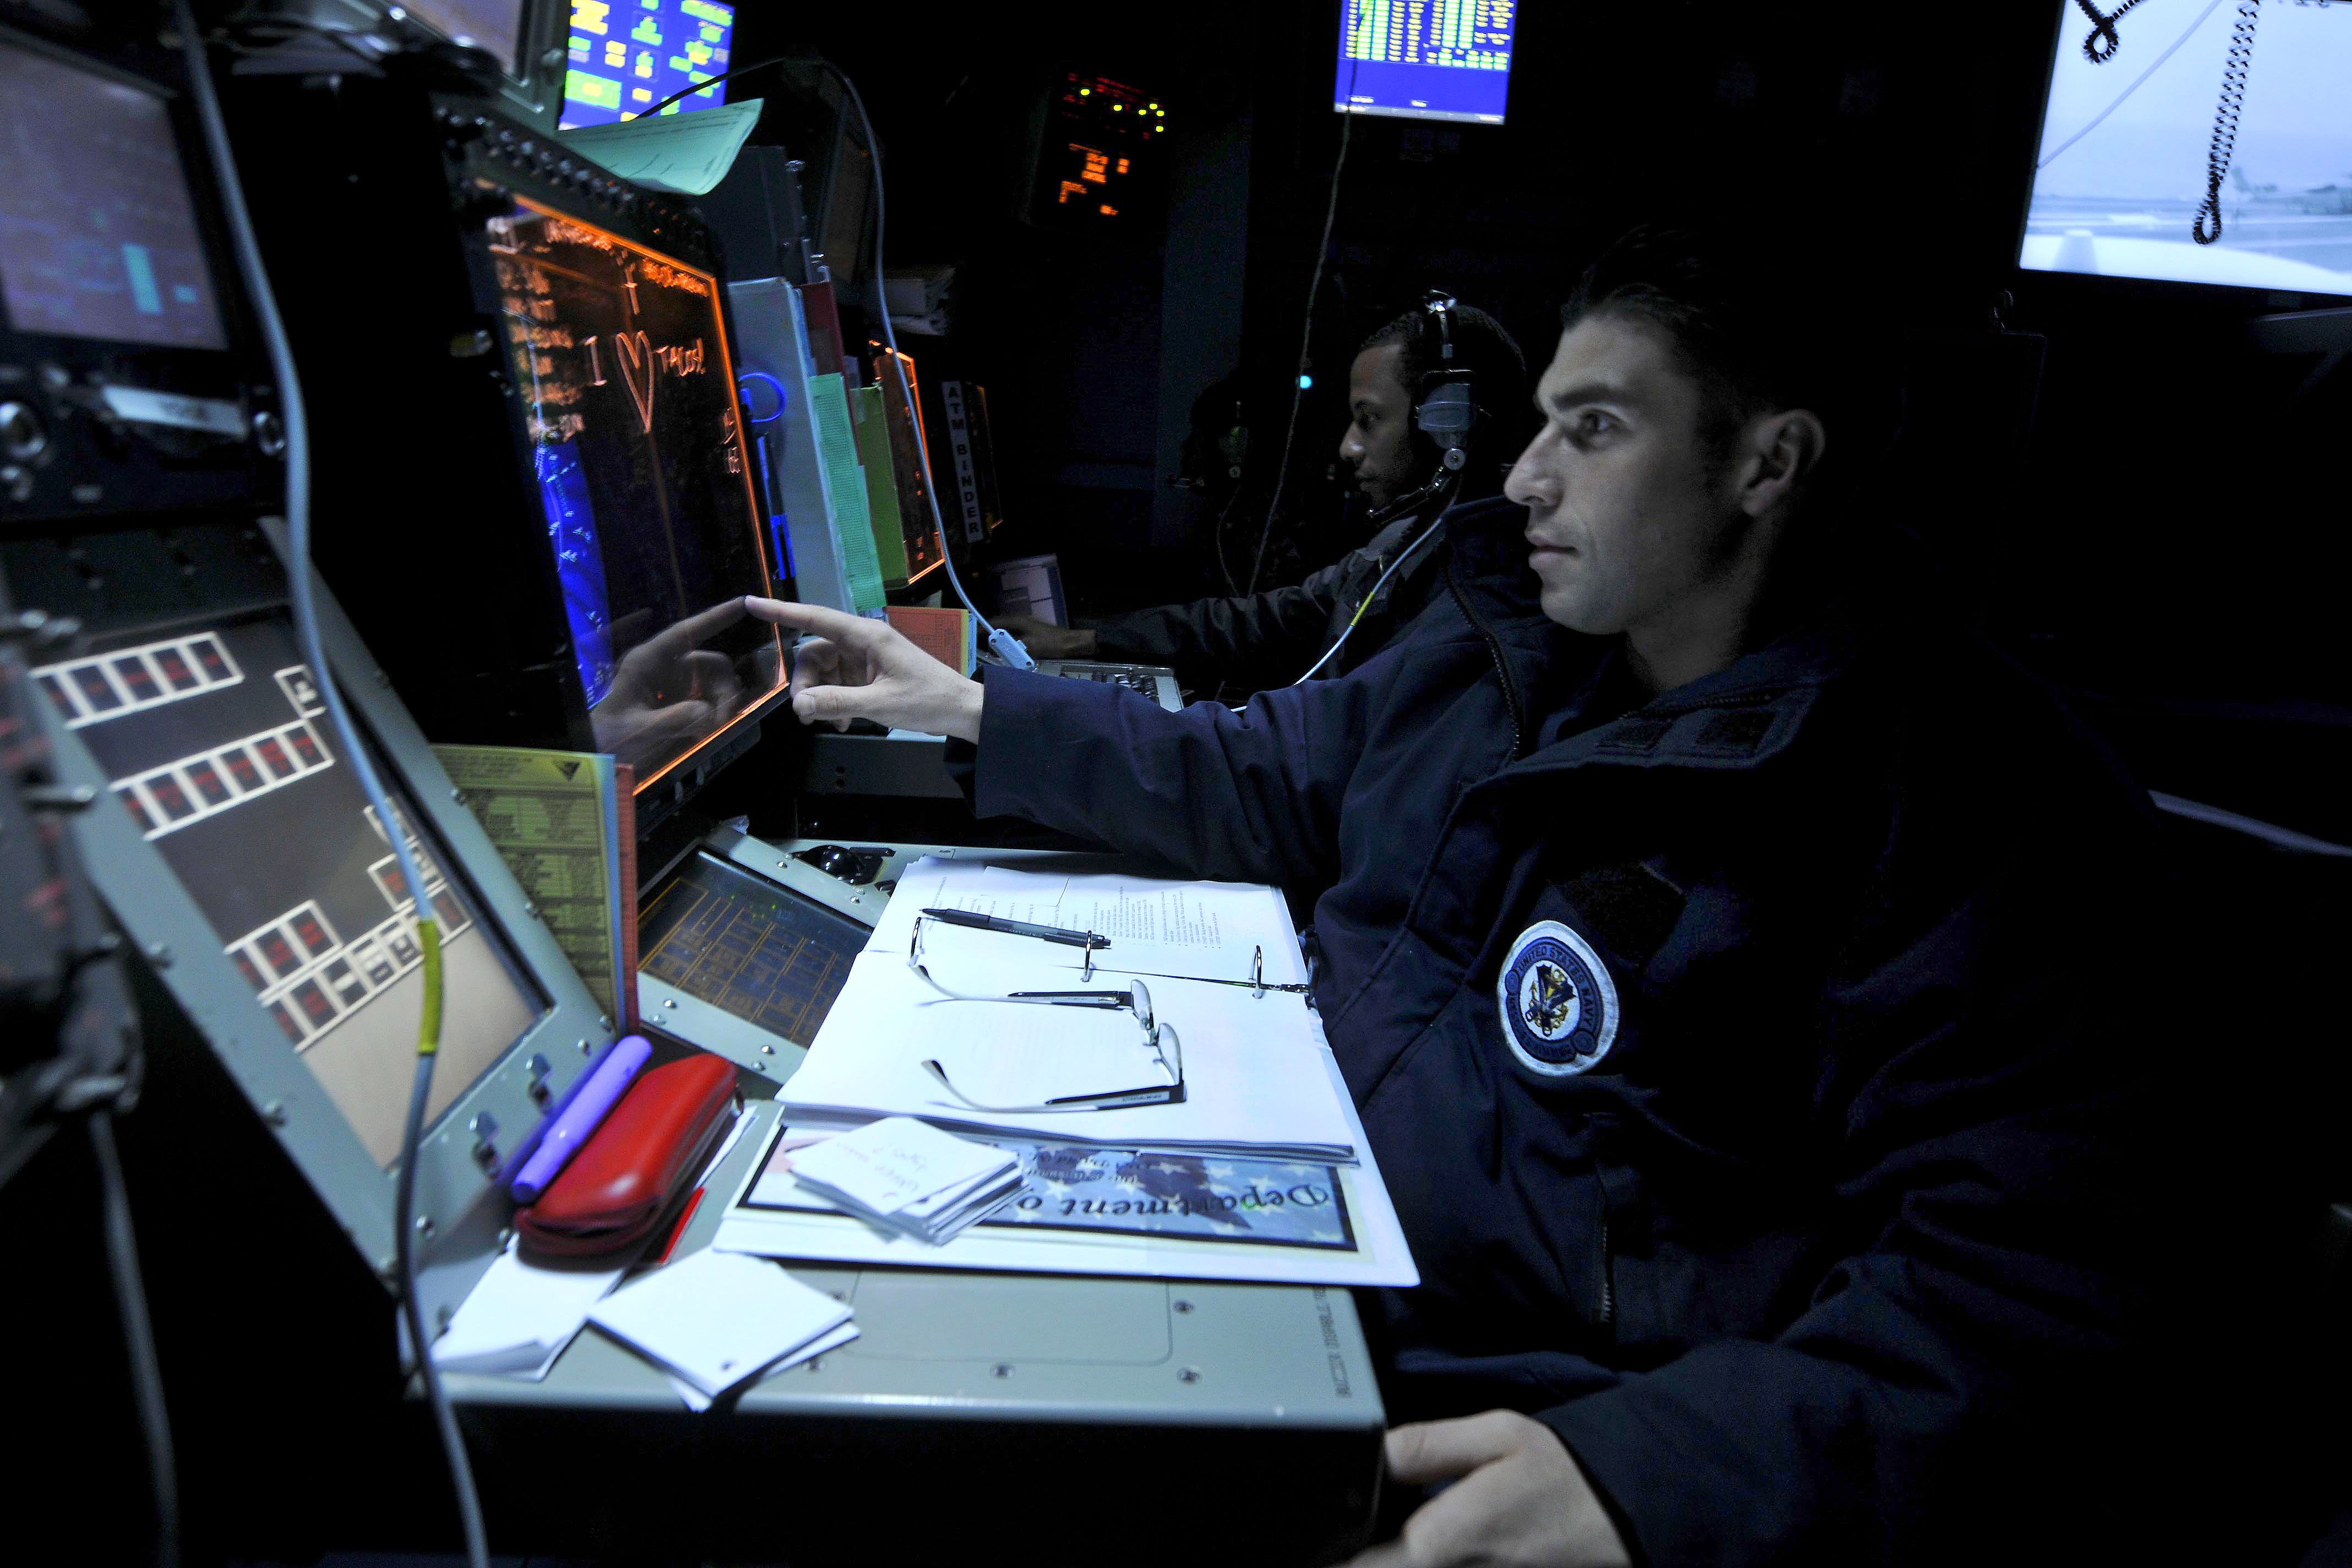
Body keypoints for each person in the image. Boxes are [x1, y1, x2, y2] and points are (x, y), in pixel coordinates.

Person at [747, 227, 2179, 1563]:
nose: (1522, 479)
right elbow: (1275, 774)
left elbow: (2043, 1298)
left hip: (1510, 1406)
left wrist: (1651, 1474)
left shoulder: (1970, 803)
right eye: (1544, 419)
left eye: (1595, 431)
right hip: (1286, 1252)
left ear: (1767, 464)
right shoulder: (1517, 639)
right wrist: (982, 710)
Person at [998, 298, 1529, 694]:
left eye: (1369, 420)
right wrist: (1082, 642)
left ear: (1448, 425)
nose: (1347, 447)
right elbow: (1266, 619)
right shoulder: (1404, 545)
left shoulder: (1474, 603)